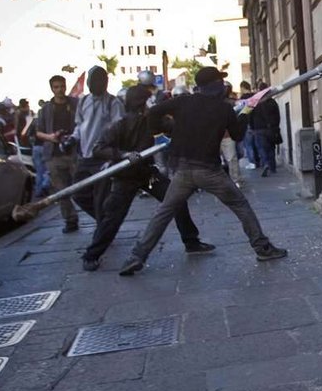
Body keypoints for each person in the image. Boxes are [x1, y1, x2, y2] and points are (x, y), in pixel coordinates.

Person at [118, 67, 287, 276]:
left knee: (163, 213)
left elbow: (153, 112)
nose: (224, 85)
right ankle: (262, 247)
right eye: (220, 81)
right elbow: (237, 135)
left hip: (182, 169)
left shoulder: (184, 101)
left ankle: (137, 256)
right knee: (240, 205)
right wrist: (245, 112)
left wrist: (161, 131)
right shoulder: (224, 109)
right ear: (214, 85)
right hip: (209, 171)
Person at [81, 86, 214, 272]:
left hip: (147, 174)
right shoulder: (119, 125)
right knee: (113, 217)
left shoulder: (152, 120)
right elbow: (99, 149)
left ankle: (191, 241)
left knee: (176, 199)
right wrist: (123, 154)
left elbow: (174, 127)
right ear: (141, 103)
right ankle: (91, 255)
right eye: (149, 100)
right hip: (125, 178)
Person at [68, 65, 125, 221]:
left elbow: (119, 129)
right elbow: (79, 126)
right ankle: (105, 222)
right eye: (94, 80)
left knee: (101, 198)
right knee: (78, 194)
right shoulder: (83, 101)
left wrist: (113, 156)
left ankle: (103, 228)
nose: (97, 84)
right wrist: (72, 138)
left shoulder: (113, 103)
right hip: (85, 158)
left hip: (102, 158)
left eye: (101, 80)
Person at [36, 75, 79, 232]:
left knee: (82, 187)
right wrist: (51, 137)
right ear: (52, 89)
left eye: (62, 86)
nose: (60, 90)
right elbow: (38, 132)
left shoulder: (75, 104)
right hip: (54, 154)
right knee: (61, 191)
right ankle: (70, 220)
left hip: (74, 152)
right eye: (56, 87)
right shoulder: (46, 109)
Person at [248, 81, 280, 177]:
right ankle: (272, 167)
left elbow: (250, 116)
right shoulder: (272, 102)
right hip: (271, 128)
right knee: (271, 147)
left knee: (261, 148)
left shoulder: (254, 102)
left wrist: (251, 127)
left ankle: (265, 163)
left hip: (258, 129)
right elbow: (277, 116)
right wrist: (276, 126)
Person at [238, 81, 259, 169]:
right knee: (255, 143)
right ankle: (258, 161)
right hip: (255, 122)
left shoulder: (243, 99)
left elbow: (241, 111)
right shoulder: (254, 96)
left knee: (248, 144)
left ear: (243, 87)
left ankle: (252, 162)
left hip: (246, 123)